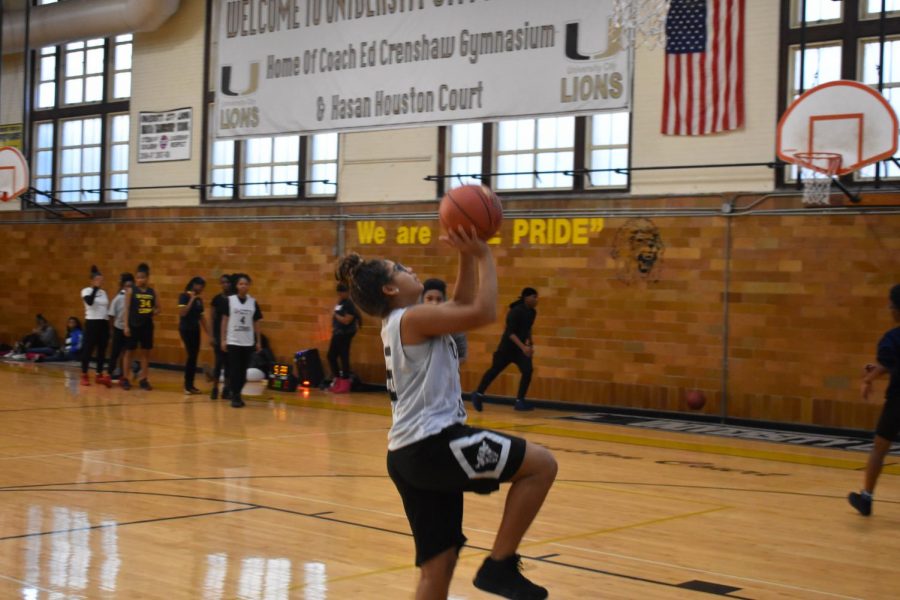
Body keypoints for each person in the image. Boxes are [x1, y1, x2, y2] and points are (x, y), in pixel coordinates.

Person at [336, 226, 556, 600]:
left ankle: (498, 566)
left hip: (406, 455)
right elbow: (482, 311)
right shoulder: (412, 318)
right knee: (541, 465)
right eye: (401, 268)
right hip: (433, 444)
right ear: (390, 289)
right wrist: (484, 254)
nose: (411, 270)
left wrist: (466, 254)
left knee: (437, 571)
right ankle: (499, 566)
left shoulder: (404, 322)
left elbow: (461, 302)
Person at [848, 283, 900, 516]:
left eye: (891, 304)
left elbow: (888, 364)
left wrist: (868, 378)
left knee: (880, 447)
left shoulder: (892, 337)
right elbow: (892, 365)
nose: (889, 307)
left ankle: (866, 498)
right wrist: (879, 369)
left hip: (898, 401)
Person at [471, 288, 540, 412]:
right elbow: (510, 333)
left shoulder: (532, 313)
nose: (536, 300)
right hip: (507, 349)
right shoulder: (515, 312)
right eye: (534, 297)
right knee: (494, 370)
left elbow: (528, 329)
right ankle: (478, 394)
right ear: (526, 297)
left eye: (537, 297)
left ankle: (520, 401)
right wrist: (523, 347)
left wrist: (530, 343)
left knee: (528, 370)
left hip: (520, 350)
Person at [220, 273, 262, 408]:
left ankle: (236, 393)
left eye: (246, 283)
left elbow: (256, 323)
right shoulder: (230, 301)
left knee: (243, 373)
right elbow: (224, 321)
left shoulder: (253, 302)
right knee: (235, 370)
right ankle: (236, 395)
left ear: (249, 286)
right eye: (240, 284)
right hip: (233, 341)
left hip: (247, 341)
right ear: (237, 286)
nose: (243, 286)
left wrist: (258, 341)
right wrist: (223, 339)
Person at [121, 263, 160, 391]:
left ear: (147, 278)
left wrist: (154, 311)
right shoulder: (131, 291)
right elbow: (126, 309)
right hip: (133, 325)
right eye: (138, 277)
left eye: (142, 277)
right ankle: (125, 378)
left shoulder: (153, 292)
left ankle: (144, 379)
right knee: (129, 352)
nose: (140, 280)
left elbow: (159, 308)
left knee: (145, 353)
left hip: (147, 325)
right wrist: (126, 326)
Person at [422, 278, 468, 364]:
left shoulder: (454, 325)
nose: (434, 303)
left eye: (439, 299)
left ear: (444, 301)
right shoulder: (414, 322)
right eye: (429, 298)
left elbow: (462, 356)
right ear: (422, 300)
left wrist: (443, 367)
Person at [178, 276, 212, 395]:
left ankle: (191, 385)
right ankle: (187, 385)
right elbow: (183, 313)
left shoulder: (199, 300)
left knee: (194, 356)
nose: (202, 288)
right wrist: (191, 300)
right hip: (185, 329)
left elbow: (202, 318)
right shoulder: (183, 296)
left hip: (195, 329)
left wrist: (210, 334)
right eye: (200, 285)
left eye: (203, 286)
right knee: (191, 355)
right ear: (193, 284)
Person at [80, 265, 112, 387]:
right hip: (92, 322)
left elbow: (105, 308)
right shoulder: (86, 291)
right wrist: (95, 288)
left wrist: (108, 325)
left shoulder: (104, 293)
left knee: (102, 349)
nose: (100, 282)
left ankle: (99, 374)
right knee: (88, 349)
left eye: (101, 280)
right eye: (97, 280)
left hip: (103, 323)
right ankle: (84, 374)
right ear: (92, 281)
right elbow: (90, 302)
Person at [327, 282, 361, 392]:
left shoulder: (350, 304)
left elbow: (347, 321)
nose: (340, 295)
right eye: (339, 293)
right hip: (337, 333)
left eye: (342, 293)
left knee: (343, 356)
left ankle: (345, 382)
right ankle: (337, 379)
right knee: (331, 355)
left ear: (347, 292)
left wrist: (335, 315)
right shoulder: (341, 302)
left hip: (345, 334)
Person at [209, 274, 232, 400]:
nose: (225, 284)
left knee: (229, 364)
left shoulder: (234, 298)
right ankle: (215, 387)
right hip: (219, 335)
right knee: (218, 363)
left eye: (227, 282)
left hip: (231, 335)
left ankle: (226, 389)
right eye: (223, 282)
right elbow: (211, 318)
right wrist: (211, 336)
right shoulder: (216, 299)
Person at [107, 273, 133, 381]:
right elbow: (111, 315)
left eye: (131, 285)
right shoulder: (118, 298)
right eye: (127, 285)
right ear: (123, 285)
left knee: (126, 352)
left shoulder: (134, 298)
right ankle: (109, 373)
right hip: (118, 328)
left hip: (129, 329)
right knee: (115, 352)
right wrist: (112, 330)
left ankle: (123, 373)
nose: (129, 287)